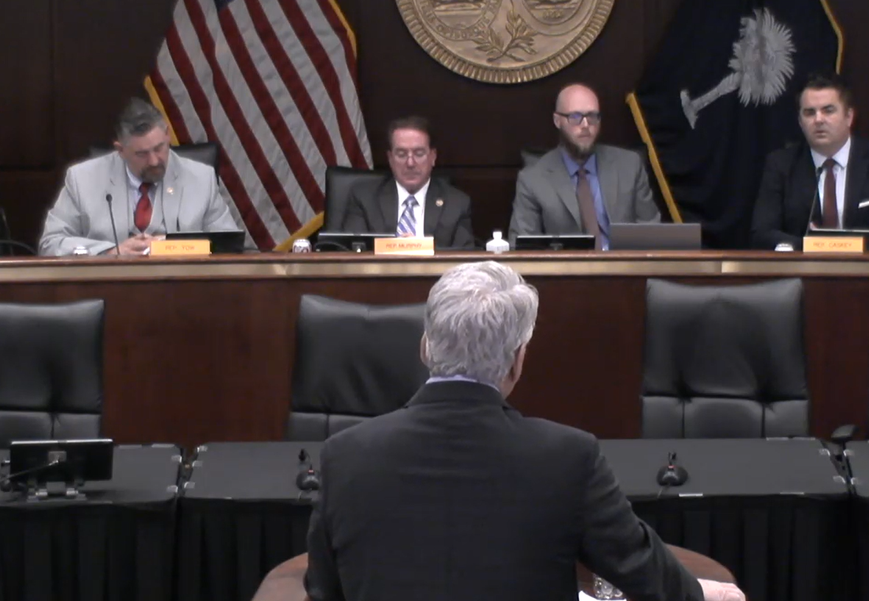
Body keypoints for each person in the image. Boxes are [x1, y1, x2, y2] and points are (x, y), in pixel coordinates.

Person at [304, 260, 745, 601]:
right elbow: (643, 571)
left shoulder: (344, 456)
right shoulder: (568, 458)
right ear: (517, 362)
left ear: (424, 347)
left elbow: (323, 590)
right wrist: (696, 592)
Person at [39, 98, 238, 256]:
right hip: (109, 292)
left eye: (159, 148)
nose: (153, 161)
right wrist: (110, 252)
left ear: (167, 135)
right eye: (142, 154)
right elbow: (50, 244)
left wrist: (171, 248)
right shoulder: (82, 179)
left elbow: (228, 246)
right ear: (121, 150)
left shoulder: (202, 178)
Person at [750, 72, 869, 250]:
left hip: (867, 271)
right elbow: (762, 233)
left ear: (849, 117)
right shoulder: (780, 165)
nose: (818, 120)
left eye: (828, 111)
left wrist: (845, 247)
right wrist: (813, 246)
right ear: (800, 121)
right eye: (809, 113)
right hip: (802, 271)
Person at [508, 83, 660, 249]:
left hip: (626, 268)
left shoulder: (630, 165)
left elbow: (652, 234)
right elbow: (522, 249)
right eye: (575, 117)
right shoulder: (533, 179)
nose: (586, 125)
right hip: (568, 272)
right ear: (557, 121)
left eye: (592, 116)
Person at [342, 116, 475, 249]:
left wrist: (419, 248)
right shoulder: (364, 198)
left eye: (418, 153)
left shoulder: (457, 203)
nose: (410, 163)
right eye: (401, 154)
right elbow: (351, 254)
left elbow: (463, 259)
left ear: (433, 157)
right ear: (390, 159)